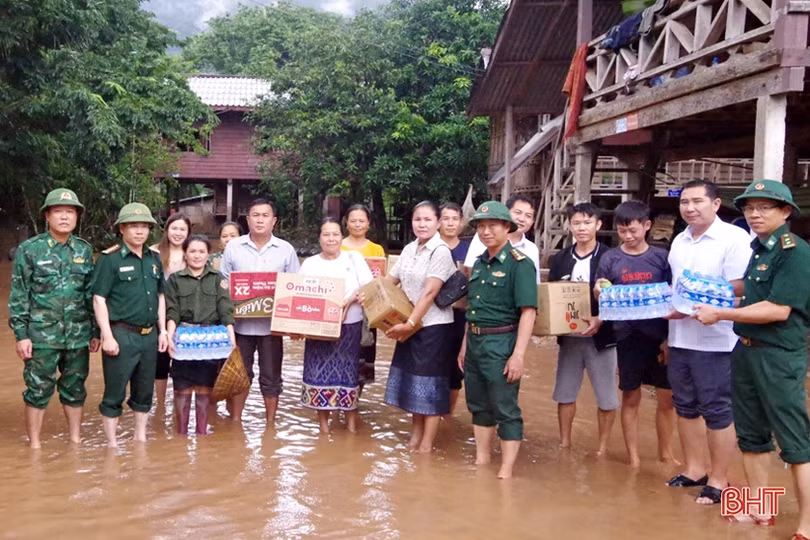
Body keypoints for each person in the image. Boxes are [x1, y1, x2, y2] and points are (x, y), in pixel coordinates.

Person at [694, 180, 810, 536]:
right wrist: (710, 288)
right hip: (745, 349)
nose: (754, 214)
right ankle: (761, 510)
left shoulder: (795, 252)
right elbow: (753, 288)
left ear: (785, 212)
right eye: (748, 208)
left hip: (778, 355)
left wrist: (720, 313)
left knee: (794, 439)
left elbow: (777, 309)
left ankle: (807, 523)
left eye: (764, 207)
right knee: (751, 435)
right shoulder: (758, 248)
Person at [664, 179, 752, 504]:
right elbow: (675, 286)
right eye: (684, 202)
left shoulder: (734, 238)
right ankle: (694, 468)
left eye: (697, 201)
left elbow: (741, 285)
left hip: (717, 340)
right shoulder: (680, 240)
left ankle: (718, 478)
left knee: (717, 408)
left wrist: (697, 299)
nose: (690, 208)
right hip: (680, 336)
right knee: (685, 404)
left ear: (715, 204)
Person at [8, 188, 100, 449]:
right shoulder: (30, 250)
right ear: (47, 216)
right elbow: (19, 296)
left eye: (70, 212)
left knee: (75, 388)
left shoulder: (84, 250)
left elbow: (89, 294)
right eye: (58, 211)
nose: (64, 217)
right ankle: (35, 446)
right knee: (37, 390)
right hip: (41, 337)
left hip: (78, 336)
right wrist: (21, 335)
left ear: (77, 217)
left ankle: (75, 441)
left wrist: (95, 331)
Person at [458, 201, 537, 479]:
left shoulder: (520, 264)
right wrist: (464, 346)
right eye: (481, 226)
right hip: (475, 342)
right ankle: (482, 459)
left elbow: (528, 312)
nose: (486, 231)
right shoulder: (479, 264)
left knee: (505, 406)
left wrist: (518, 355)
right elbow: (473, 309)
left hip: (502, 342)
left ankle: (506, 469)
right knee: (478, 404)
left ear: (506, 227)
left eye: (492, 226)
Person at [595, 201, 675, 467]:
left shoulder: (661, 258)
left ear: (647, 225)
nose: (628, 236)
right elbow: (600, 291)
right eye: (622, 231)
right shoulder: (610, 259)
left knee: (667, 398)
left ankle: (666, 454)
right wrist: (599, 290)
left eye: (633, 230)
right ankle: (634, 456)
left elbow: (673, 295)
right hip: (627, 337)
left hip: (659, 336)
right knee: (630, 395)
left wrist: (669, 339)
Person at [382, 201, 457, 453]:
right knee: (414, 384)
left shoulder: (440, 251)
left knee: (430, 386)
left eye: (427, 220)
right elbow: (390, 281)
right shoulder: (409, 249)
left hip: (433, 327)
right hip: (409, 324)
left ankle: (426, 444)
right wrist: (369, 295)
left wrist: (410, 324)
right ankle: (415, 436)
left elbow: (430, 293)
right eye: (417, 219)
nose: (422, 224)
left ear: (438, 223)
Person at [92, 203, 169, 447]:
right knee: (114, 392)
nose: (139, 231)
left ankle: (140, 438)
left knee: (144, 391)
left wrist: (163, 331)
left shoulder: (154, 259)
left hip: (149, 335)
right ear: (122, 229)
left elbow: (160, 296)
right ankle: (112, 445)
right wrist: (107, 336)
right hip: (121, 334)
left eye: (144, 226)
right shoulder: (109, 259)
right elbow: (98, 298)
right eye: (133, 226)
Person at [220, 198, 300, 423]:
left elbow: (295, 287)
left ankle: (270, 424)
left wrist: (294, 325)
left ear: (274, 221)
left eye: (265, 215)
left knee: (271, 377)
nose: (260, 220)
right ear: (247, 220)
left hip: (272, 328)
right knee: (239, 375)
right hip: (240, 327)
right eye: (255, 215)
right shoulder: (233, 247)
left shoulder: (286, 250)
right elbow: (223, 283)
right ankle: (236, 422)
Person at [549, 202, 618, 455]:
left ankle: (602, 448)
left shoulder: (610, 257)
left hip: (602, 336)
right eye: (576, 223)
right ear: (569, 226)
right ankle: (564, 443)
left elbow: (618, 298)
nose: (582, 228)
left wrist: (601, 319)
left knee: (607, 397)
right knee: (565, 393)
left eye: (587, 222)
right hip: (569, 337)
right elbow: (551, 295)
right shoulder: (560, 259)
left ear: (598, 225)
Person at [299, 218, 373, 434]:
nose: (331, 239)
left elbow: (369, 288)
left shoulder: (354, 258)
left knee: (348, 375)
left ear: (341, 237)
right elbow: (300, 296)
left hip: (350, 326)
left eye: (335, 234)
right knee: (318, 373)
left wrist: (348, 301)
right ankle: (324, 428)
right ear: (319, 238)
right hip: (318, 329)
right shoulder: (310, 264)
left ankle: (351, 426)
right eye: (326, 234)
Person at [165, 235, 236, 435]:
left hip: (211, 343)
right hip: (183, 341)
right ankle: (181, 436)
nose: (197, 256)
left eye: (201, 251)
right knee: (182, 388)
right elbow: (172, 312)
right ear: (185, 254)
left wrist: (232, 341)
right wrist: (169, 337)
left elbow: (225, 311)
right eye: (193, 251)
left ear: (208, 254)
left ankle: (202, 435)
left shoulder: (218, 279)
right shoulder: (175, 280)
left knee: (205, 389)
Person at [341, 204, 385, 391]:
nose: (357, 224)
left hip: (367, 311)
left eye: (361, 221)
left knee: (363, 359)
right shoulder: (338, 245)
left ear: (368, 224)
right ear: (346, 223)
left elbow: (381, 282)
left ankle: (355, 399)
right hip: (342, 309)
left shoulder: (376, 250)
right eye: (353, 221)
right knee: (341, 355)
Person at [151, 213, 191, 412]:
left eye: (182, 229)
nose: (178, 233)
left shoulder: (192, 253)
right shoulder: (153, 252)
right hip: (158, 313)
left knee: (182, 362)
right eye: (174, 228)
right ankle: (160, 406)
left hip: (184, 315)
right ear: (166, 230)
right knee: (160, 362)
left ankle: (179, 407)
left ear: (188, 232)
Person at [463, 194, 541, 283]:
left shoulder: (532, 249)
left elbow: (535, 282)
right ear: (506, 214)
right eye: (518, 212)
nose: (522, 219)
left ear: (532, 222)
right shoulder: (485, 237)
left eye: (528, 216)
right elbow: (470, 270)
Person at [439, 202, 470, 413]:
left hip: (460, 315)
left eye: (455, 219)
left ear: (461, 222)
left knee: (455, 367)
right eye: (446, 218)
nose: (450, 223)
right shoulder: (430, 246)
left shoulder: (469, 250)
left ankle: (447, 414)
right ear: (438, 222)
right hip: (432, 314)